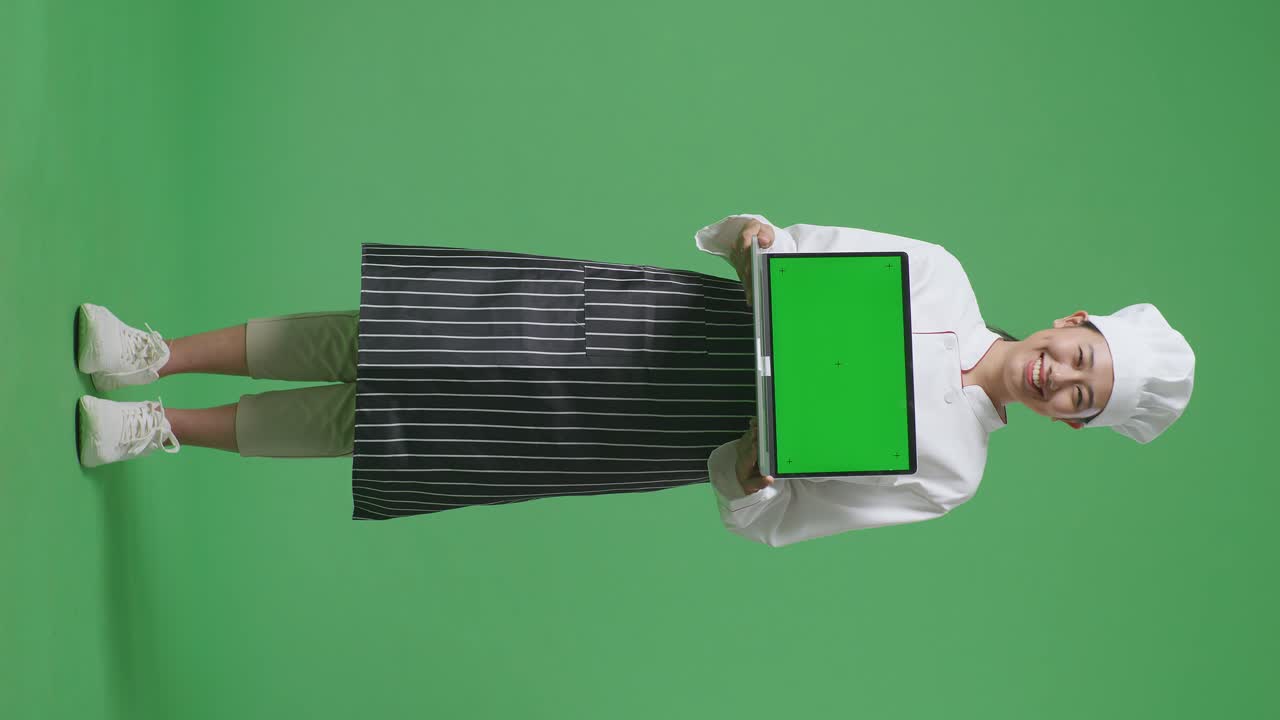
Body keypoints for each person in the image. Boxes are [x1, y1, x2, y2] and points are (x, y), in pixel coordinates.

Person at [73, 213, 1196, 547]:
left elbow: (780, 517)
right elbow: (798, 250)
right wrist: (759, 238)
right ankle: (156, 353)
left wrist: (758, 472)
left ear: (1069, 423)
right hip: (653, 325)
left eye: (1078, 398)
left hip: (642, 430)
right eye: (1079, 357)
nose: (1060, 378)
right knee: (401, 331)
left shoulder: (951, 473)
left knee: (401, 430)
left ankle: (160, 427)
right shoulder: (941, 272)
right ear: (1071, 321)